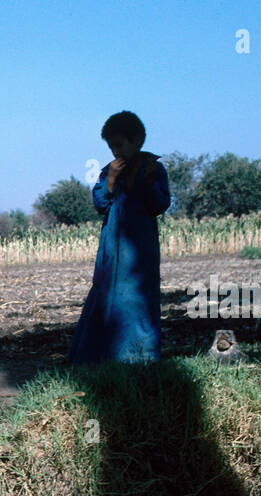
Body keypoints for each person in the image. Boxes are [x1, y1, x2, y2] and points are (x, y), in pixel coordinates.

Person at [68, 110, 171, 364]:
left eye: (119, 144)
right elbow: (100, 203)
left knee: (137, 298)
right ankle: (100, 356)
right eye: (111, 146)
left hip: (139, 252)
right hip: (112, 253)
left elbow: (160, 204)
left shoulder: (153, 169)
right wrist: (111, 180)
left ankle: (138, 356)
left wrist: (147, 183)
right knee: (106, 297)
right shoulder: (108, 172)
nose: (115, 152)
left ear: (136, 140)